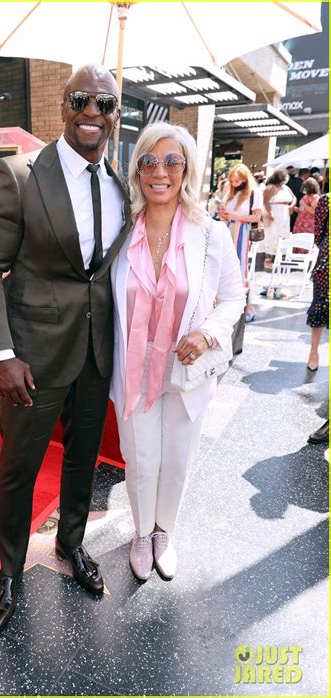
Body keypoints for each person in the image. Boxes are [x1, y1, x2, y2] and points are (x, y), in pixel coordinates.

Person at [0, 64, 131, 633]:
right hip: (31, 358)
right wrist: (1, 354)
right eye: (82, 100)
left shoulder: (120, 185)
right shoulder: (18, 174)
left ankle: (71, 544)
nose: (93, 112)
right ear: (63, 105)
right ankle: (9, 572)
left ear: (117, 114)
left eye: (105, 104)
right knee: (19, 469)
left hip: (95, 352)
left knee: (84, 461)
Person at [110, 123, 244, 581]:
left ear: (186, 169)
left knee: (178, 458)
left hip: (186, 368)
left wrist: (207, 333)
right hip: (132, 364)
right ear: (137, 170)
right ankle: (141, 532)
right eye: (148, 160)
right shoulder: (121, 229)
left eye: (171, 160)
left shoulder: (211, 234)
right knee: (141, 458)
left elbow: (233, 298)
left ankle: (165, 531)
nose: (159, 171)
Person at [218, 163, 262, 322]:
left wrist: (235, 216)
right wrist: (223, 214)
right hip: (227, 230)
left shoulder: (254, 193)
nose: (234, 183)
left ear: (244, 179)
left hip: (242, 232)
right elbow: (225, 215)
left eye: (237, 180)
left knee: (240, 268)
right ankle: (228, 305)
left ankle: (248, 306)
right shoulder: (229, 192)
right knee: (225, 268)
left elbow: (257, 217)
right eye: (232, 180)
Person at [306, 192, 329, 372]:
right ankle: (314, 351)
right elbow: (318, 233)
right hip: (327, 260)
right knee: (321, 304)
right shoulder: (326, 199)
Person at [262, 169, 296, 271]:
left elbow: (294, 198)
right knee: (271, 234)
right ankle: (268, 259)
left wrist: (292, 206)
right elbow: (265, 201)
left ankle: (281, 257)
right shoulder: (270, 187)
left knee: (283, 234)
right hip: (274, 212)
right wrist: (269, 213)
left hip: (284, 213)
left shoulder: (285, 188)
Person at [292, 177, 320, 252]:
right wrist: (296, 209)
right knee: (298, 238)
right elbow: (303, 210)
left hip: (308, 223)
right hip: (301, 222)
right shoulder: (305, 196)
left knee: (306, 239)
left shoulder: (315, 197)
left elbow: (312, 211)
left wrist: (303, 204)